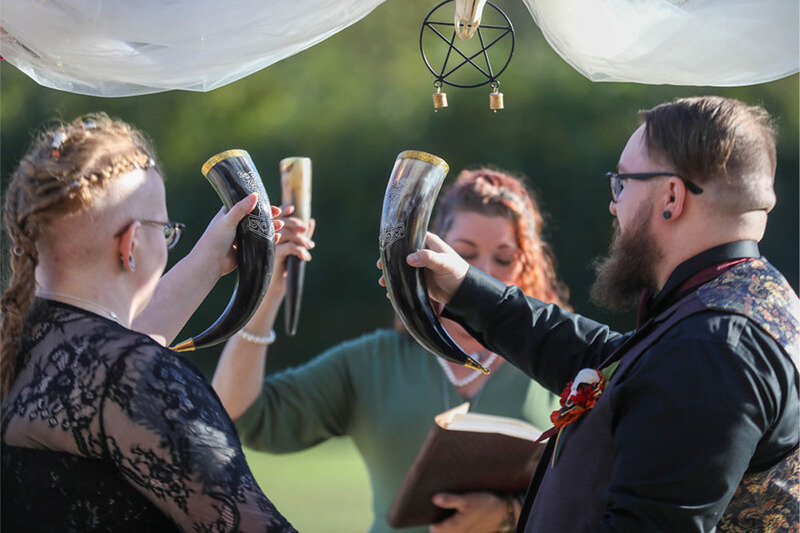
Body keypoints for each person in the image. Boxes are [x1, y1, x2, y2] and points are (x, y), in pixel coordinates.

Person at [387, 96, 799, 532]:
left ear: (672, 197)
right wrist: (464, 288)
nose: (613, 205)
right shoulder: (732, 305)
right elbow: (611, 362)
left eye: (622, 183)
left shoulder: (711, 347)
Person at [212, 167, 570, 533]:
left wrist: (508, 513)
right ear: (432, 255)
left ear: (528, 266)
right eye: (465, 254)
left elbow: (596, 490)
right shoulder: (374, 361)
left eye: (504, 259)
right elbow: (240, 415)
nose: (483, 273)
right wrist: (266, 293)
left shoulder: (559, 360)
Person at [0, 113, 297, 532]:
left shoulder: (20, 343)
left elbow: (103, 356)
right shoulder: (135, 377)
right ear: (131, 243)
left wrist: (207, 262)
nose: (170, 239)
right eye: (166, 229)